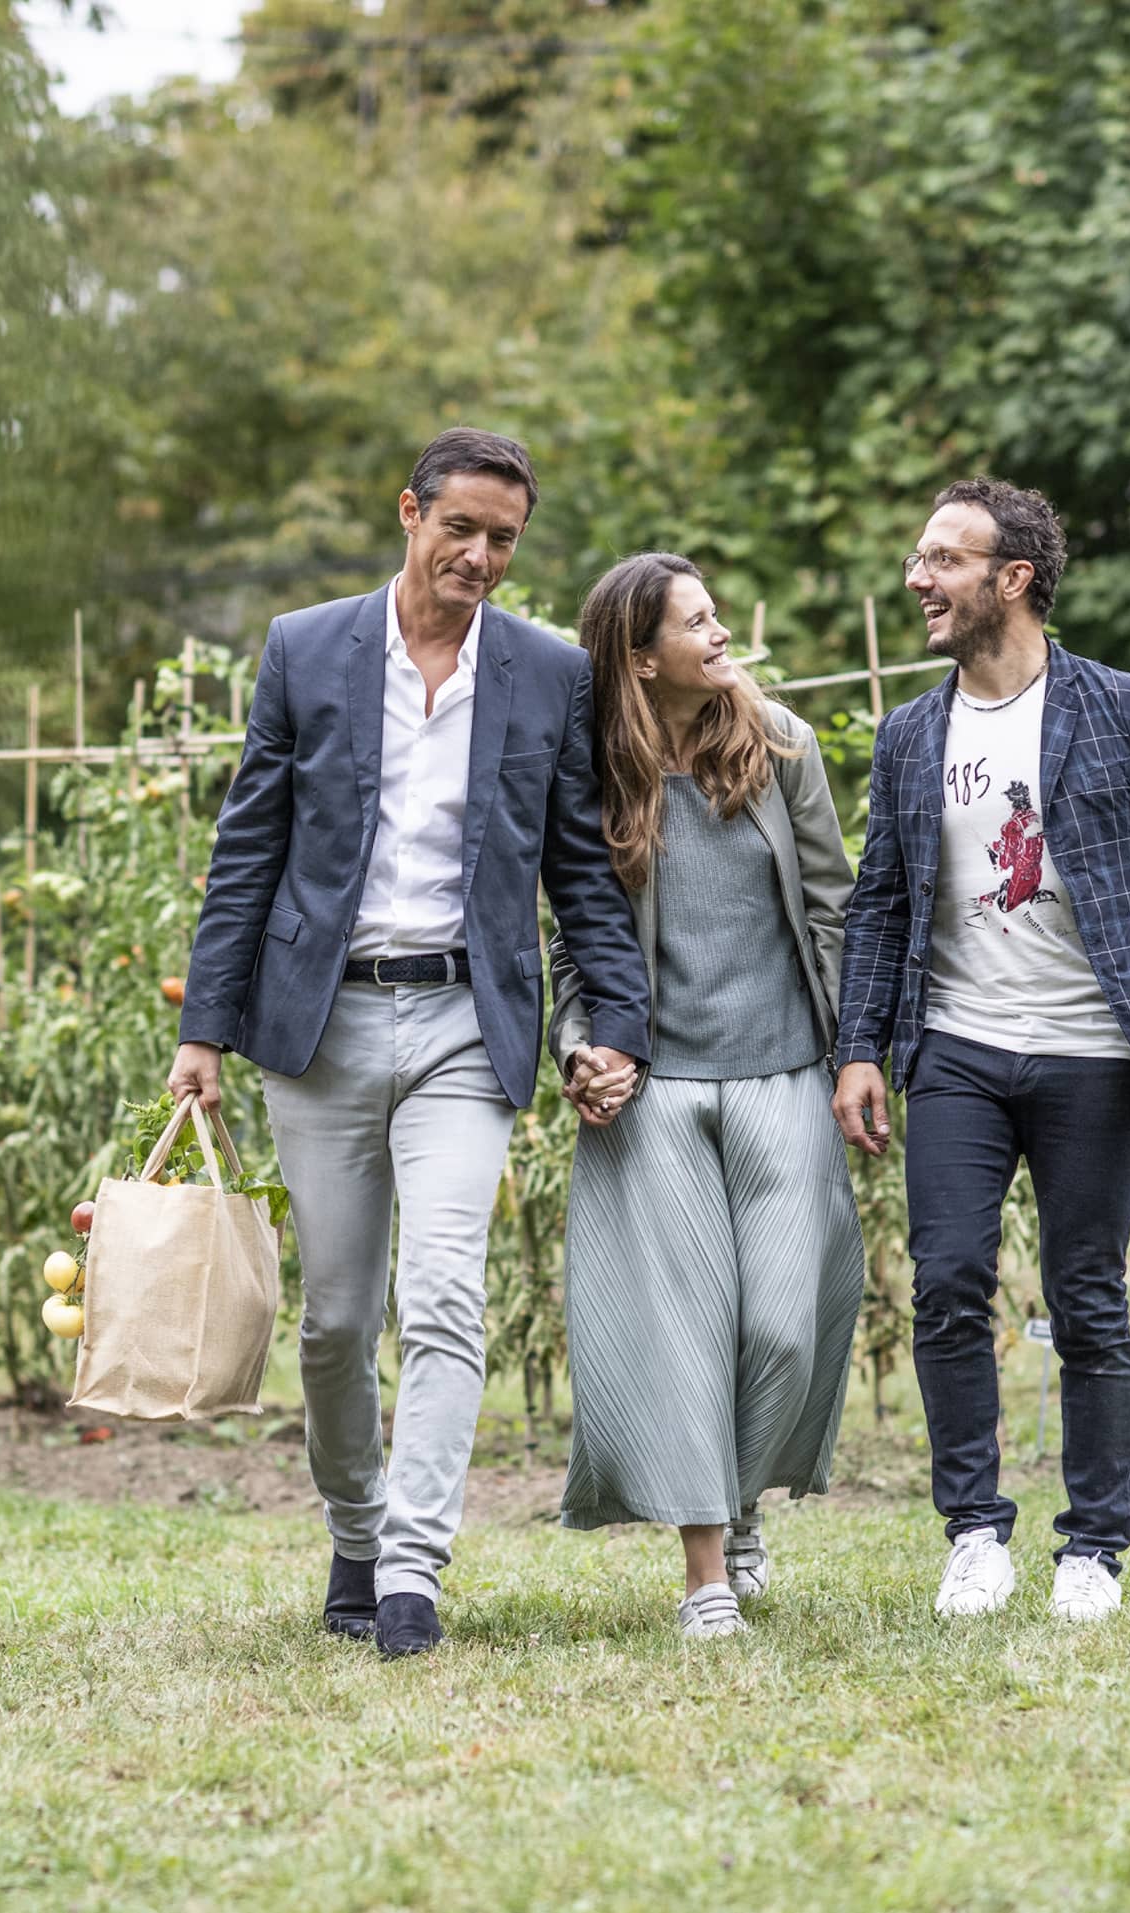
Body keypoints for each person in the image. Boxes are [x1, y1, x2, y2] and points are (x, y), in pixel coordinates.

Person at [167, 427, 650, 1659]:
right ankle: (355, 1524)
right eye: (464, 529)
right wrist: (204, 1030)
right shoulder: (308, 647)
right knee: (333, 1319)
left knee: (443, 1293)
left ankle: (411, 1571)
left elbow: (581, 869)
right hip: (318, 1025)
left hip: (462, 1022)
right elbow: (248, 851)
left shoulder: (546, 672)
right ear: (410, 513)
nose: (482, 556)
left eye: (505, 539)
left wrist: (617, 1022)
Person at [831, 477, 1130, 1624]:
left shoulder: (1121, 706)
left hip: (1096, 1049)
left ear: (1012, 578)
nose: (918, 577)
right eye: (920, 558)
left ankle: (1092, 1549)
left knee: (1086, 1299)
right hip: (957, 1047)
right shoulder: (912, 733)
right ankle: (974, 1532)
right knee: (950, 1282)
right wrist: (859, 1047)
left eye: (943, 559)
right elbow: (879, 903)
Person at [548, 552, 865, 1639]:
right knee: (680, 1331)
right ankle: (705, 1577)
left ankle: (736, 1503)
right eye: (698, 621)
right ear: (642, 657)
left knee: (781, 1327)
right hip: (656, 1092)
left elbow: (835, 905)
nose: (722, 633)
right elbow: (575, 947)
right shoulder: (592, 771)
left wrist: (853, 1053)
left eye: (717, 612)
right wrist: (584, 1049)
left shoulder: (780, 744)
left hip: (783, 1068)